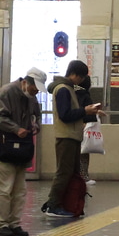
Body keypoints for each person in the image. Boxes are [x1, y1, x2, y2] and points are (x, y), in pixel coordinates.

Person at [43, 60, 101, 218]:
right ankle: (53, 205)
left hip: (72, 136)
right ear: (74, 74)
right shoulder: (63, 90)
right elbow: (65, 115)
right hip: (66, 136)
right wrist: (85, 110)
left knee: (71, 172)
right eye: (80, 77)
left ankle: (66, 203)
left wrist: (88, 111)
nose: (81, 81)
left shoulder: (69, 89)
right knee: (64, 172)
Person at [0, 69, 46, 236]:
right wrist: (16, 128)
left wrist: (36, 125)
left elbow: (37, 116)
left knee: (20, 190)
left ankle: (14, 223)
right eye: (34, 89)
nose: (34, 93)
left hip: (23, 148)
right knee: (5, 188)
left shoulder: (31, 98)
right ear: (26, 82)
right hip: (5, 146)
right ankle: (2, 223)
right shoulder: (6, 92)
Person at [75, 74, 97, 185]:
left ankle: (78, 177)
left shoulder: (72, 93)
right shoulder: (84, 95)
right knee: (83, 154)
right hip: (85, 127)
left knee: (76, 154)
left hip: (74, 127)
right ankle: (84, 177)